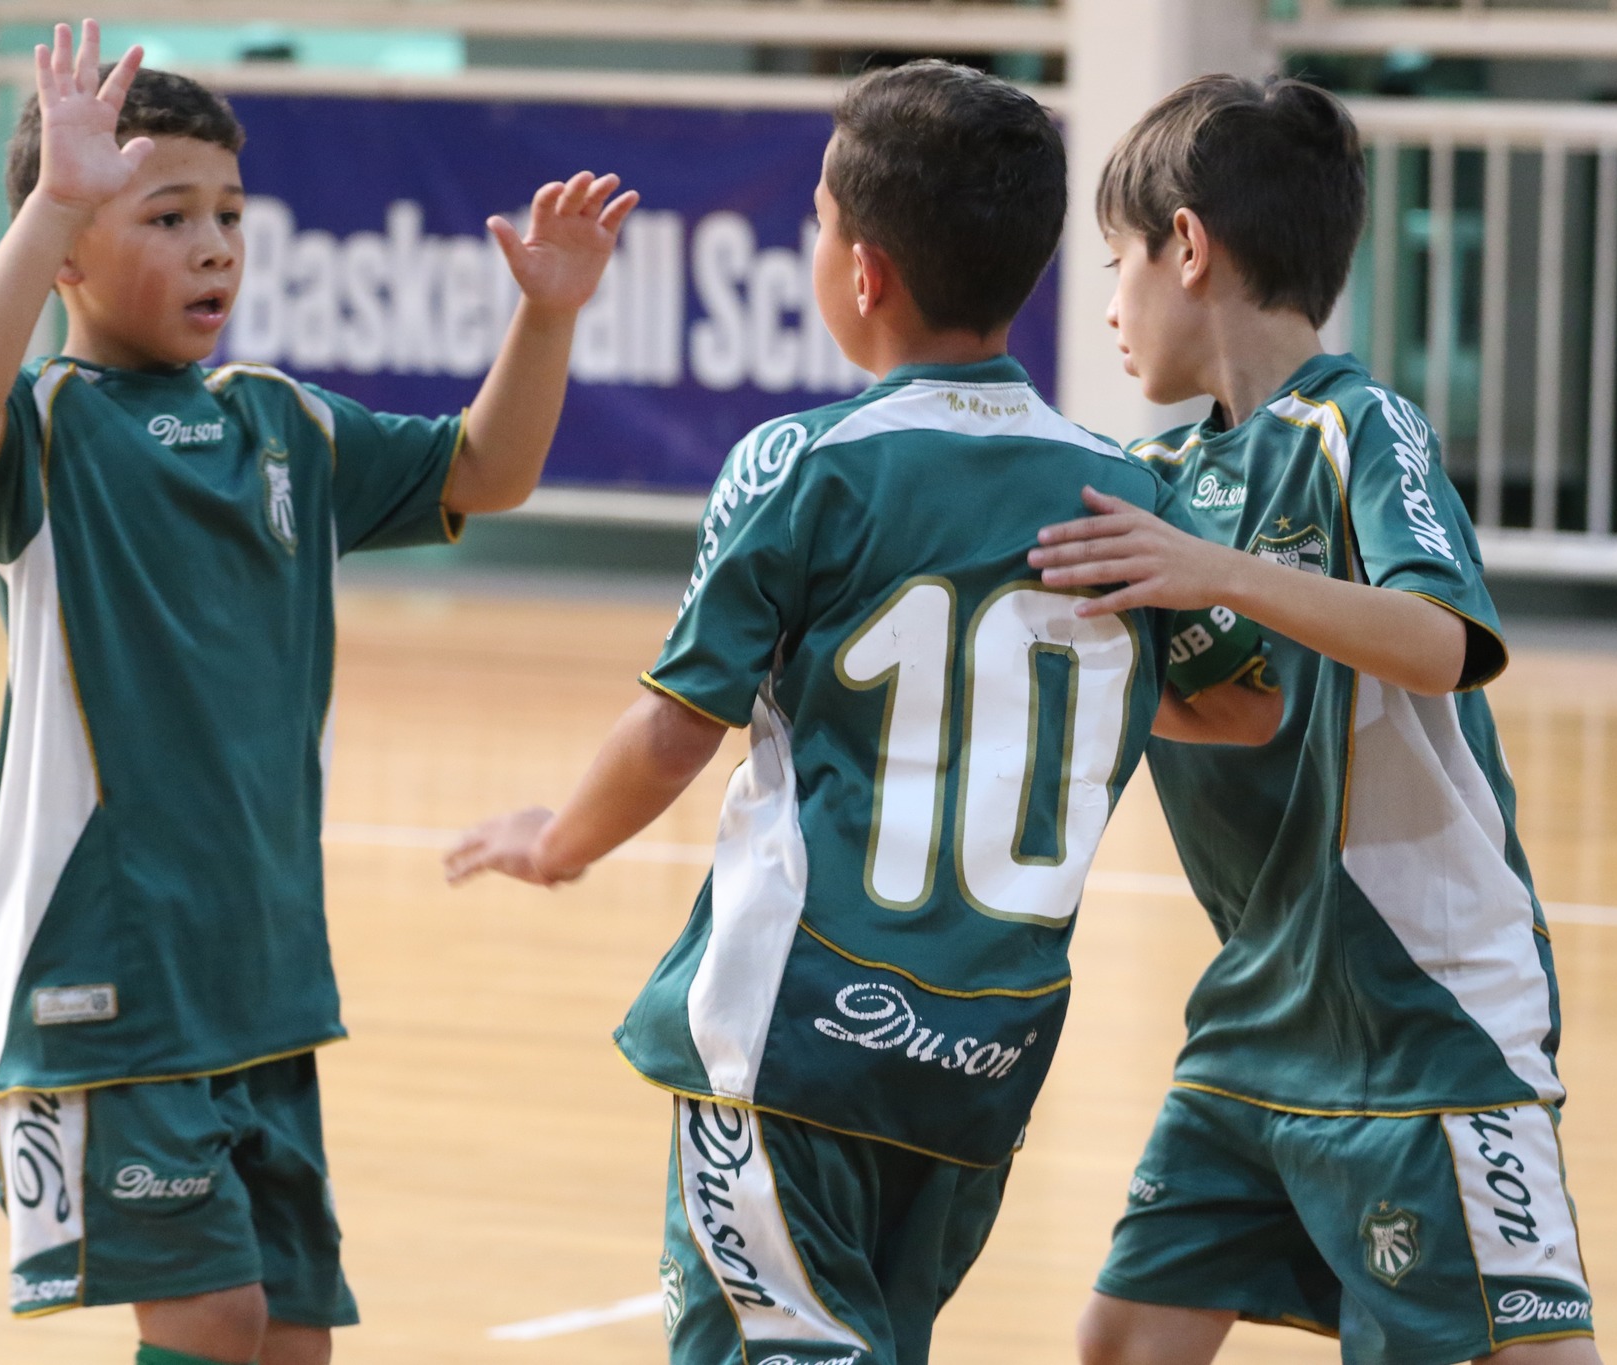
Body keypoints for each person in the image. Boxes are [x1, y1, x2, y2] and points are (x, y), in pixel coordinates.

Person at [443, 60, 1280, 1365]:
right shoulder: (1128, 491)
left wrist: (561, 840)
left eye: (818, 218)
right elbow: (1238, 709)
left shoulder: (801, 465)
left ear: (865, 270)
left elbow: (678, 725)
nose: (811, 241)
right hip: (983, 1061)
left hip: (792, 1045)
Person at [0, 21, 634, 1365]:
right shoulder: (49, 439)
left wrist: (547, 316)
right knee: (216, 1317)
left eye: (230, 214)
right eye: (168, 213)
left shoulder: (281, 425)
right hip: (105, 970)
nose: (213, 246)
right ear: (63, 248)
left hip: (262, 981)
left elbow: (488, 470)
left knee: (292, 1337)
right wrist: (58, 191)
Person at [1028, 75, 1602, 1365]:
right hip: (1262, 1007)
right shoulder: (1166, 479)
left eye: (1117, 261)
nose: (1107, 306)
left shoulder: (1361, 427)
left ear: (1188, 247)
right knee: (1118, 1343)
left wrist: (1216, 575)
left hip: (1425, 1013)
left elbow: (1445, 642)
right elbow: (1231, 714)